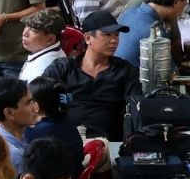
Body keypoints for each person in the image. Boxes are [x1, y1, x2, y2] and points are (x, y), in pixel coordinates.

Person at [43, 10, 142, 140]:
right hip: (64, 140)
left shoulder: (125, 71)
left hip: (108, 142)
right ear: (88, 38)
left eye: (116, 35)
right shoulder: (62, 68)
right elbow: (40, 96)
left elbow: (136, 106)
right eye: (107, 35)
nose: (114, 41)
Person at [116, 0, 190, 68]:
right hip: (131, 82)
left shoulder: (129, 13)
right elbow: (171, 77)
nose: (184, 6)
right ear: (177, 1)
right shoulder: (156, 33)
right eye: (185, 2)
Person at [24, 76, 84, 166]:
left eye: (28, 101)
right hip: (73, 177)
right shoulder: (70, 125)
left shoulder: (33, 132)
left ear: (36, 106)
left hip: (51, 178)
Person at [0, 76, 40, 172]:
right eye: (28, 103)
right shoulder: (14, 156)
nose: (35, 108)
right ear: (9, 113)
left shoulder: (21, 136)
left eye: (33, 101)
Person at [18, 9, 67, 83]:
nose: (25, 33)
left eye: (33, 30)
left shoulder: (41, 71)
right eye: (26, 26)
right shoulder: (43, 51)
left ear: (50, 39)